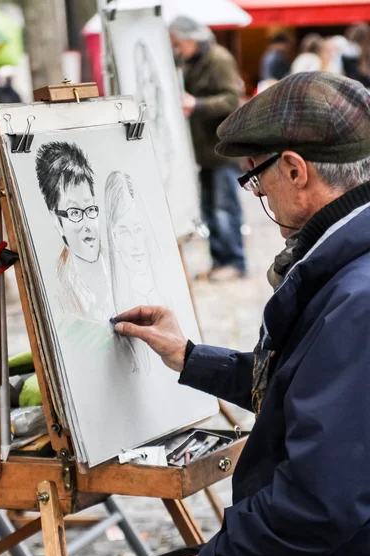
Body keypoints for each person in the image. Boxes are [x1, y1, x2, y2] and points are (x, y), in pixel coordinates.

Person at [112, 72, 370, 556]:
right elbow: (302, 383)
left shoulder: (357, 297)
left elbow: (319, 502)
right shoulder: (345, 267)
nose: (258, 193)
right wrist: (188, 357)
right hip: (336, 550)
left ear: (295, 170)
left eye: (256, 177)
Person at [169, 16, 247, 281]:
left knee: (225, 208)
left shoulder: (218, 58)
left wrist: (197, 104)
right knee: (210, 210)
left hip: (222, 150)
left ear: (192, 39)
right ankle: (219, 261)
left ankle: (235, 262)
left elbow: (231, 100)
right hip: (204, 152)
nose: (177, 49)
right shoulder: (190, 63)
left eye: (179, 43)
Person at [35, 141, 114, 324]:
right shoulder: (58, 289)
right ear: (56, 220)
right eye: (75, 213)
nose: (87, 224)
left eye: (89, 208)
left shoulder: (118, 263)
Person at [105, 170, 168, 373]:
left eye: (138, 229)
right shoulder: (111, 302)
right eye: (124, 232)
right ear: (112, 237)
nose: (135, 244)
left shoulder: (164, 293)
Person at [134, 40, 174, 185]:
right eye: (144, 83)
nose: (149, 91)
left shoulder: (165, 130)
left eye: (151, 81)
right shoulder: (140, 132)